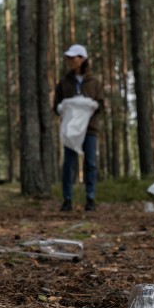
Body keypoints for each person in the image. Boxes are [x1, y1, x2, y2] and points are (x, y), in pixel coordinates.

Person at [53, 44, 105, 212]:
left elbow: (102, 105)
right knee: (69, 163)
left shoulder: (95, 82)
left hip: (89, 129)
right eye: (68, 58)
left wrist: (93, 105)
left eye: (72, 57)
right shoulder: (63, 83)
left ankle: (90, 198)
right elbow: (56, 106)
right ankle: (67, 200)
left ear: (82, 59)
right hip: (70, 130)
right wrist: (61, 108)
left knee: (90, 163)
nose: (69, 61)